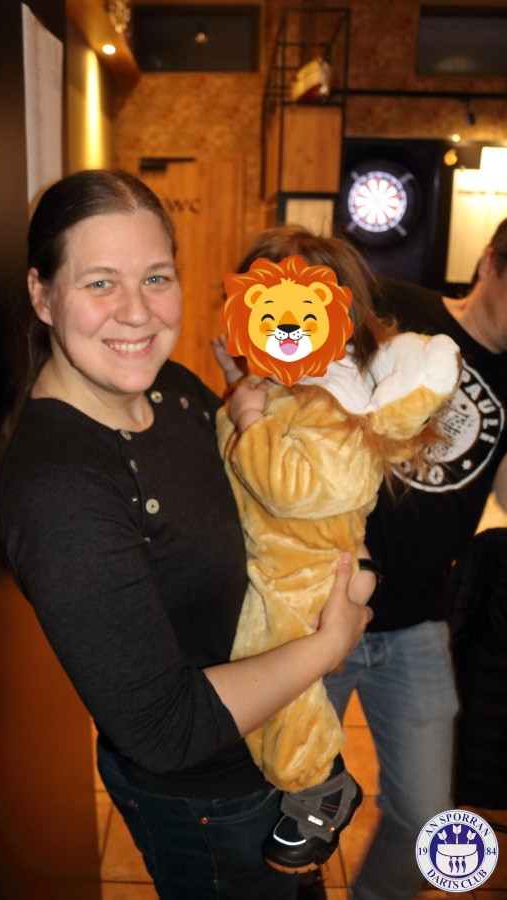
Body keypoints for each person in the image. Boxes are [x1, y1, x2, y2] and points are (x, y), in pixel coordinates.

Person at [0, 169, 372, 900]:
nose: (137, 312)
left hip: (271, 758)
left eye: (156, 277)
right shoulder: (60, 491)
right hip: (210, 802)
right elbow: (163, 729)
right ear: (42, 295)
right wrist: (327, 645)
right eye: (100, 283)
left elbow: (255, 486)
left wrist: (258, 394)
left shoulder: (169, 388)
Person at [212, 233, 460, 876]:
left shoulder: (337, 398)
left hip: (306, 584)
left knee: (277, 692)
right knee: (263, 690)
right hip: (281, 573)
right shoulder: (288, 383)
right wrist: (242, 387)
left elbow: (305, 488)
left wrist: (249, 420)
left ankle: (319, 785)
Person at [322, 217, 507, 900]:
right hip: (325, 602)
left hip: (418, 620)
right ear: (489, 264)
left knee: (427, 819)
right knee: (287, 799)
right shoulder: (400, 306)